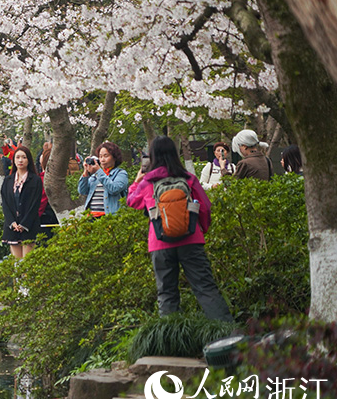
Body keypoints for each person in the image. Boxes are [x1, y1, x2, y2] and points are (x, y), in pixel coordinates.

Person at [127, 136, 233, 322]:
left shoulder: (148, 182)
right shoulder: (188, 178)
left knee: (166, 294)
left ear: (152, 156)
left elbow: (132, 202)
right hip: (191, 240)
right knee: (206, 288)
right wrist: (201, 231)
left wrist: (137, 181)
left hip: (159, 243)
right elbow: (205, 207)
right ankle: (227, 335)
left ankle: (171, 343)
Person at [0, 145, 44, 259]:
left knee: (27, 265)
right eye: (18, 157)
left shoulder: (35, 180)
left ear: (28, 160)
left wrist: (24, 224)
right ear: (14, 160)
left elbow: (35, 205)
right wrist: (12, 222)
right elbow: (5, 203)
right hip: (12, 228)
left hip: (29, 227)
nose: (20, 160)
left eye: (24, 157)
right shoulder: (8, 180)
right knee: (16, 265)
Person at [78, 141, 129, 217]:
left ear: (114, 157)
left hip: (108, 217)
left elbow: (114, 189)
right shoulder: (95, 176)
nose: (102, 160)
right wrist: (86, 172)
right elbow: (82, 191)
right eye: (100, 156)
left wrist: (99, 171)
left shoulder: (121, 174)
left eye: (106, 156)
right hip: (91, 218)